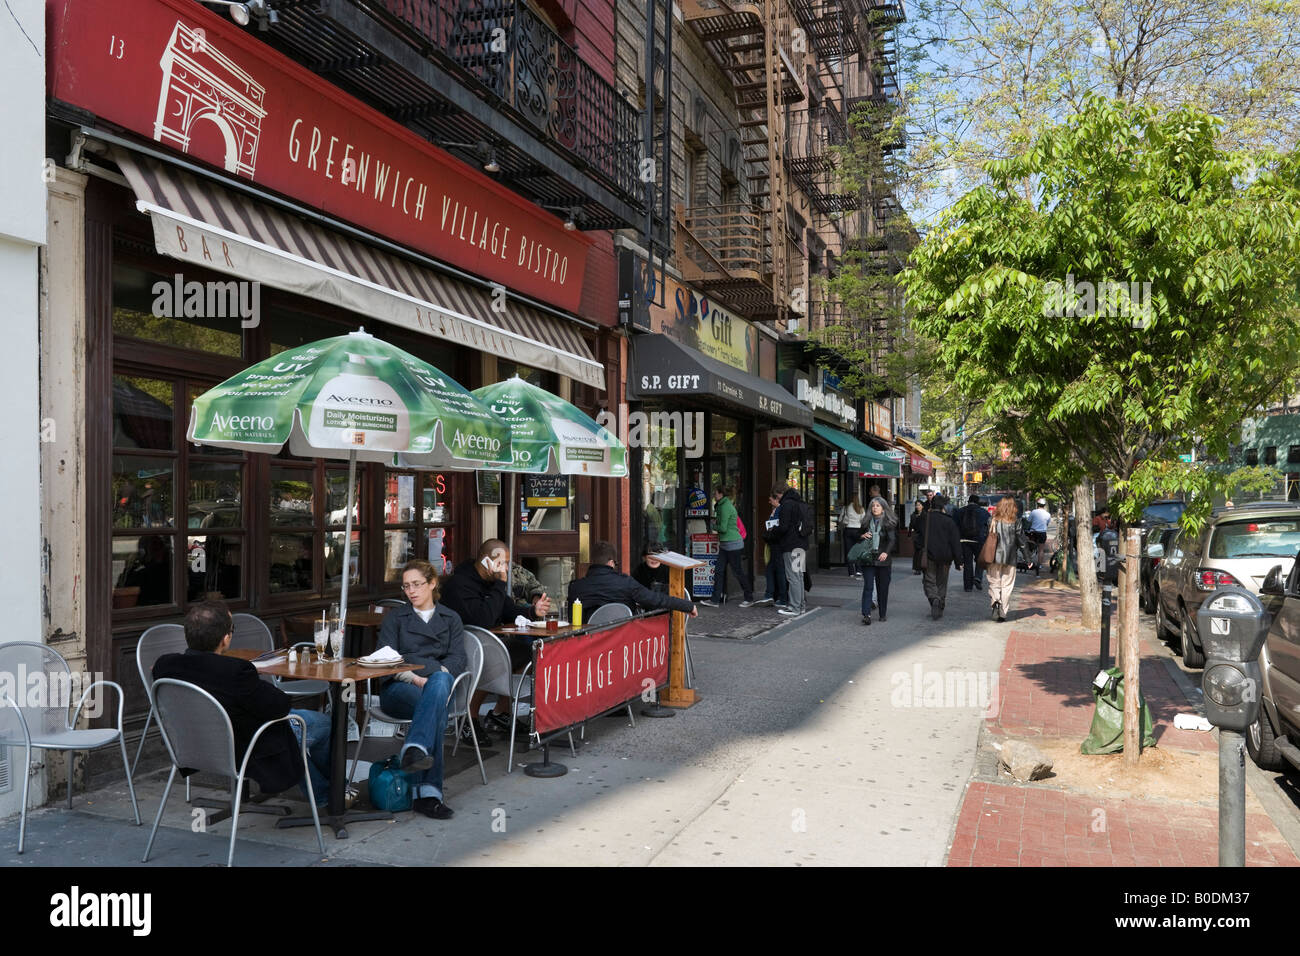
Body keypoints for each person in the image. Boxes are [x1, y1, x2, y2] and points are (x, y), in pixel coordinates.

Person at [152, 600, 332, 808]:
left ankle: (322, 792)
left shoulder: (165, 665)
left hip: (194, 748)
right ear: (225, 638)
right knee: (323, 724)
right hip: (245, 749)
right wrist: (253, 679)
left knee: (293, 729)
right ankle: (331, 795)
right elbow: (280, 707)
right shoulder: (236, 672)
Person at [375, 560, 463, 819]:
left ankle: (415, 748)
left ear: (432, 583)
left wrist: (436, 680)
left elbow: (457, 660)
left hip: (437, 683)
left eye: (417, 584)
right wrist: (415, 679)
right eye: (406, 586)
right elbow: (385, 658)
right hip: (399, 687)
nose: (411, 591)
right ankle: (429, 794)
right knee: (435, 708)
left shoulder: (451, 618)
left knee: (437, 689)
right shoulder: (396, 618)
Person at [441, 539, 552, 740]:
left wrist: (532, 611)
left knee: (526, 653)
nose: (507, 568)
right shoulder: (461, 584)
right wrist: (500, 584)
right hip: (458, 647)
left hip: (484, 645)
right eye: (503, 563)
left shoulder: (490, 584)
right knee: (496, 659)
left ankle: (501, 713)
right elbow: (483, 619)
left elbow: (508, 609)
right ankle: (468, 718)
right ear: (487, 562)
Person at [568, 540, 699, 617]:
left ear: (592, 562)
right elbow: (655, 599)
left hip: (589, 643)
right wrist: (687, 606)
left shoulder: (575, 587)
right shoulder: (625, 582)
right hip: (623, 642)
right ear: (611, 563)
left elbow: (572, 619)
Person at [702, 485, 754, 607]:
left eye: (715, 493)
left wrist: (713, 526)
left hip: (732, 545)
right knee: (719, 571)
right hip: (726, 544)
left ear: (721, 494)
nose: (714, 495)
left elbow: (723, 528)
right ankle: (715, 600)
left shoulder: (724, 507)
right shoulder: (723, 505)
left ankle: (749, 597)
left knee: (737, 572)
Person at [920, 494, 963, 619]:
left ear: (931, 505)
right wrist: (958, 561)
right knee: (942, 582)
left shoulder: (925, 519)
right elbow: (955, 542)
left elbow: (918, 537)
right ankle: (941, 603)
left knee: (929, 580)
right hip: (946, 557)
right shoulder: (949, 521)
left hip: (929, 555)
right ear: (943, 506)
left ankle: (934, 599)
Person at [773, 482, 811, 617]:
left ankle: (794, 608)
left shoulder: (787, 505)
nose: (776, 499)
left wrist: (773, 530)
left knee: (793, 577)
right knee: (799, 575)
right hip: (801, 544)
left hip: (790, 546)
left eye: (776, 496)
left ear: (779, 494)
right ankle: (800, 606)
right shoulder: (799, 502)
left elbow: (783, 527)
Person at [986, 496, 1026, 622]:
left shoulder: (991, 520)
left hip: (993, 557)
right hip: (1010, 558)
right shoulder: (1017, 521)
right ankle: (1003, 610)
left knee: (994, 582)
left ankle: (995, 602)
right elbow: (1022, 541)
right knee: (1007, 585)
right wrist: (1028, 558)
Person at [858, 496, 897, 625]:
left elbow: (892, 540)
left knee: (882, 587)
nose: (875, 508)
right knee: (868, 586)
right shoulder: (865, 522)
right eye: (873, 506)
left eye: (878, 506)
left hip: (882, 559)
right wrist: (862, 536)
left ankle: (882, 614)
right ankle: (866, 614)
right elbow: (858, 536)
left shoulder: (888, 523)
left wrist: (886, 552)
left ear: (883, 508)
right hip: (868, 558)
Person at [756, 491, 789, 607]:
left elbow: (779, 527)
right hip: (774, 544)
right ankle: (770, 594)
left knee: (779, 571)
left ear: (776, 498)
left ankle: (781, 597)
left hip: (777, 544)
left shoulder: (780, 510)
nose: (769, 501)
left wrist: (771, 531)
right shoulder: (777, 510)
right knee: (771, 569)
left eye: (771, 499)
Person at [956, 495, 991, 592]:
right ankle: (978, 577)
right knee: (980, 561)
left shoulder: (960, 511)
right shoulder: (984, 513)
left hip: (964, 541)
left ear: (968, 501)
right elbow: (989, 526)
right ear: (978, 502)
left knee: (967, 563)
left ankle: (968, 587)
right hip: (979, 540)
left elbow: (956, 526)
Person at [839, 495, 866, 578]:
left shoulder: (846, 508)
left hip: (848, 530)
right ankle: (859, 570)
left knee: (849, 551)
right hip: (858, 530)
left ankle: (851, 572)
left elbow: (840, 519)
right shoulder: (861, 509)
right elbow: (864, 520)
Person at [1027, 497, 1052, 575]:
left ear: (1038, 504)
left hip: (1033, 532)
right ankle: (1040, 565)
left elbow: (1028, 521)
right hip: (1042, 533)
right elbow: (1047, 524)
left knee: (1029, 547)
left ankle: (1029, 562)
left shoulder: (1034, 512)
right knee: (1041, 550)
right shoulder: (1048, 514)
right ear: (1044, 505)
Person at [909, 500, 926, 575]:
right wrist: (909, 534)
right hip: (916, 535)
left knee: (921, 552)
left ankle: (921, 567)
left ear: (922, 506)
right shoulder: (913, 515)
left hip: (924, 535)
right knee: (917, 552)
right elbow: (911, 525)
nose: (917, 506)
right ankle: (916, 568)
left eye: (919, 505)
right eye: (916, 505)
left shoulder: (925, 515)